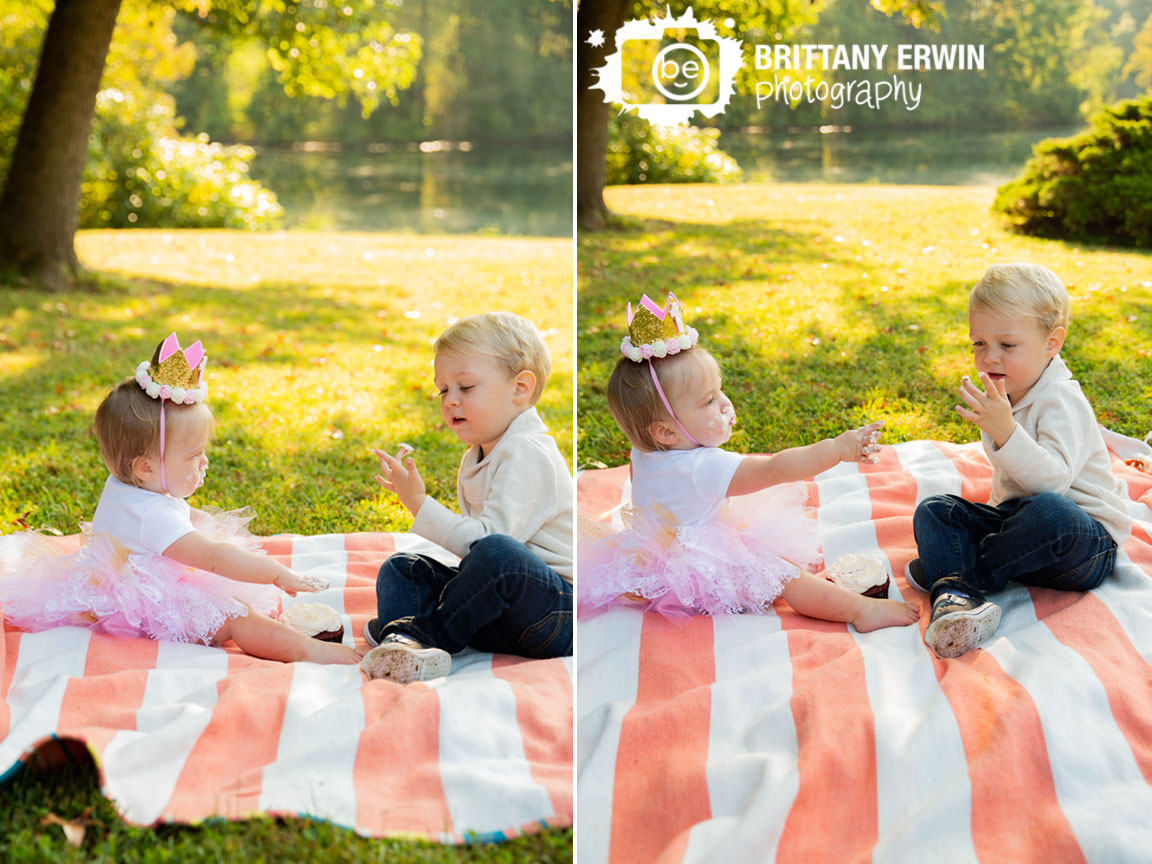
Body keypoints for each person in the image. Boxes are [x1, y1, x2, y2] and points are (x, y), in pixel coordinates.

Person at [0, 333, 361, 665]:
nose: (205, 463)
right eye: (193, 456)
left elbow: (176, 517)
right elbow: (214, 559)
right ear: (144, 468)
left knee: (233, 606)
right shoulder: (154, 517)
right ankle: (312, 652)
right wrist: (276, 574)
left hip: (111, 588)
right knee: (235, 617)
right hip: (146, 605)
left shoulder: (126, 484)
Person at [577, 292, 920, 631]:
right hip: (702, 570)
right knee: (785, 575)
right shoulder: (704, 467)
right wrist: (837, 448)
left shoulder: (644, 450)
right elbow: (777, 468)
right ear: (666, 432)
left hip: (654, 562)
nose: (724, 404)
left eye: (719, 391)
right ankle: (859, 611)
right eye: (709, 400)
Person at [907, 263, 1132, 658]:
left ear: (1052, 343)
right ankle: (957, 593)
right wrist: (989, 520)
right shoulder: (1003, 397)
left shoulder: (1061, 399)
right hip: (1023, 540)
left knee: (1050, 512)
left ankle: (959, 576)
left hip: (1083, 544)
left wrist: (1005, 431)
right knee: (936, 510)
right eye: (979, 343)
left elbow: (1052, 485)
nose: (989, 358)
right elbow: (1008, 488)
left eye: (1007, 346)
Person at [364, 312, 573, 683]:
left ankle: (421, 635)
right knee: (403, 567)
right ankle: (401, 637)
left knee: (497, 552)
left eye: (466, 387)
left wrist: (419, 504)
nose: (450, 401)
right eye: (444, 390)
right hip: (505, 618)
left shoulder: (527, 452)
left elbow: (486, 546)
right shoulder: (480, 452)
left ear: (520, 388)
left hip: (555, 614)